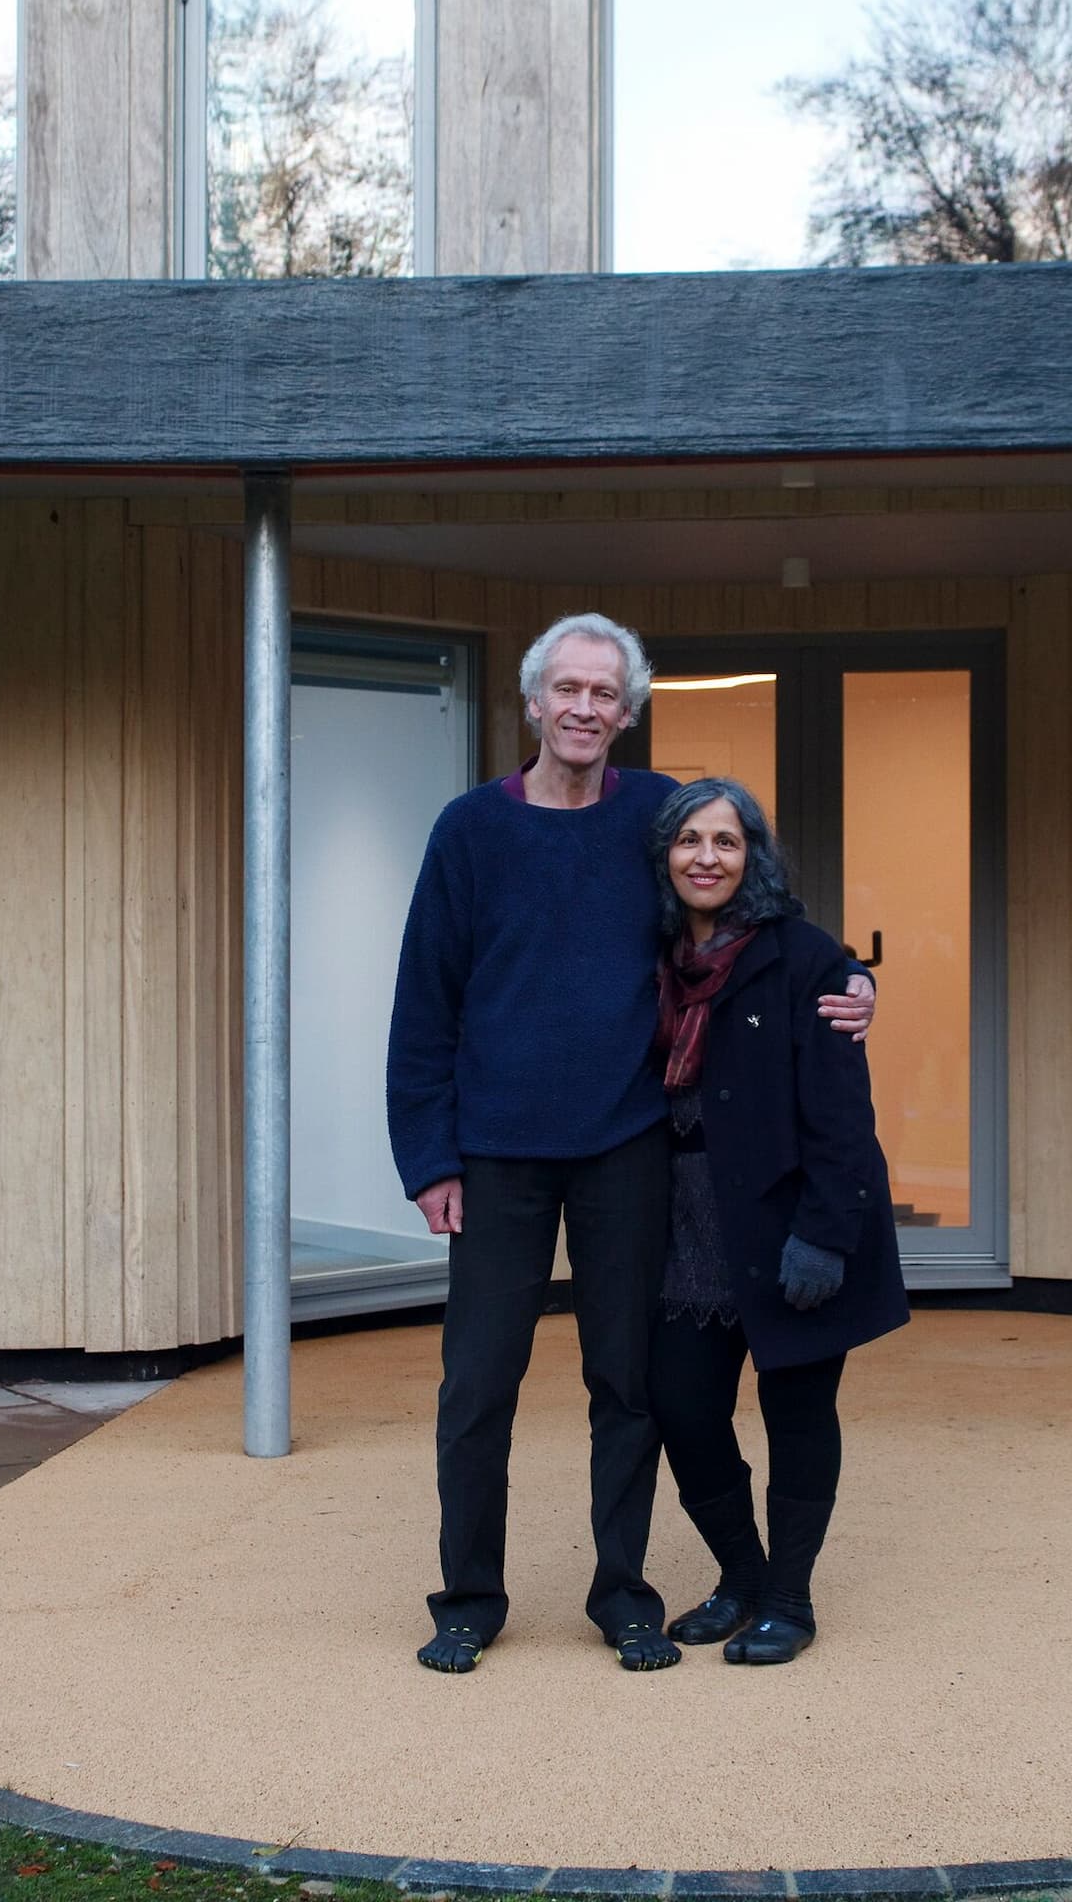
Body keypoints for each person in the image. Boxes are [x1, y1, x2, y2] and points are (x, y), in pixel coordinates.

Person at [385, 614, 874, 1676]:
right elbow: (424, 1002)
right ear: (533, 702)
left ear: (630, 708)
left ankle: (623, 1593)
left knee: (629, 1385)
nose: (584, 708)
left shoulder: (659, 814)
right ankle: (468, 1595)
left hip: (626, 1145)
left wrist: (854, 981)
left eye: (605, 693)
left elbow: (764, 910)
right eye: (567, 688)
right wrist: (429, 1158)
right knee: (477, 1386)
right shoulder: (470, 828)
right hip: (497, 1154)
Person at [645, 776, 909, 1665]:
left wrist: (828, 1236)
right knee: (683, 1409)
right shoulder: (647, 956)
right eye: (689, 840)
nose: (706, 857)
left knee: (798, 1415)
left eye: (726, 841)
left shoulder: (808, 959)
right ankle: (742, 1578)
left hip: (790, 1229)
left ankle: (789, 1600)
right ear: (665, 855)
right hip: (683, 1231)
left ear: (753, 855)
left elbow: (843, 1117)